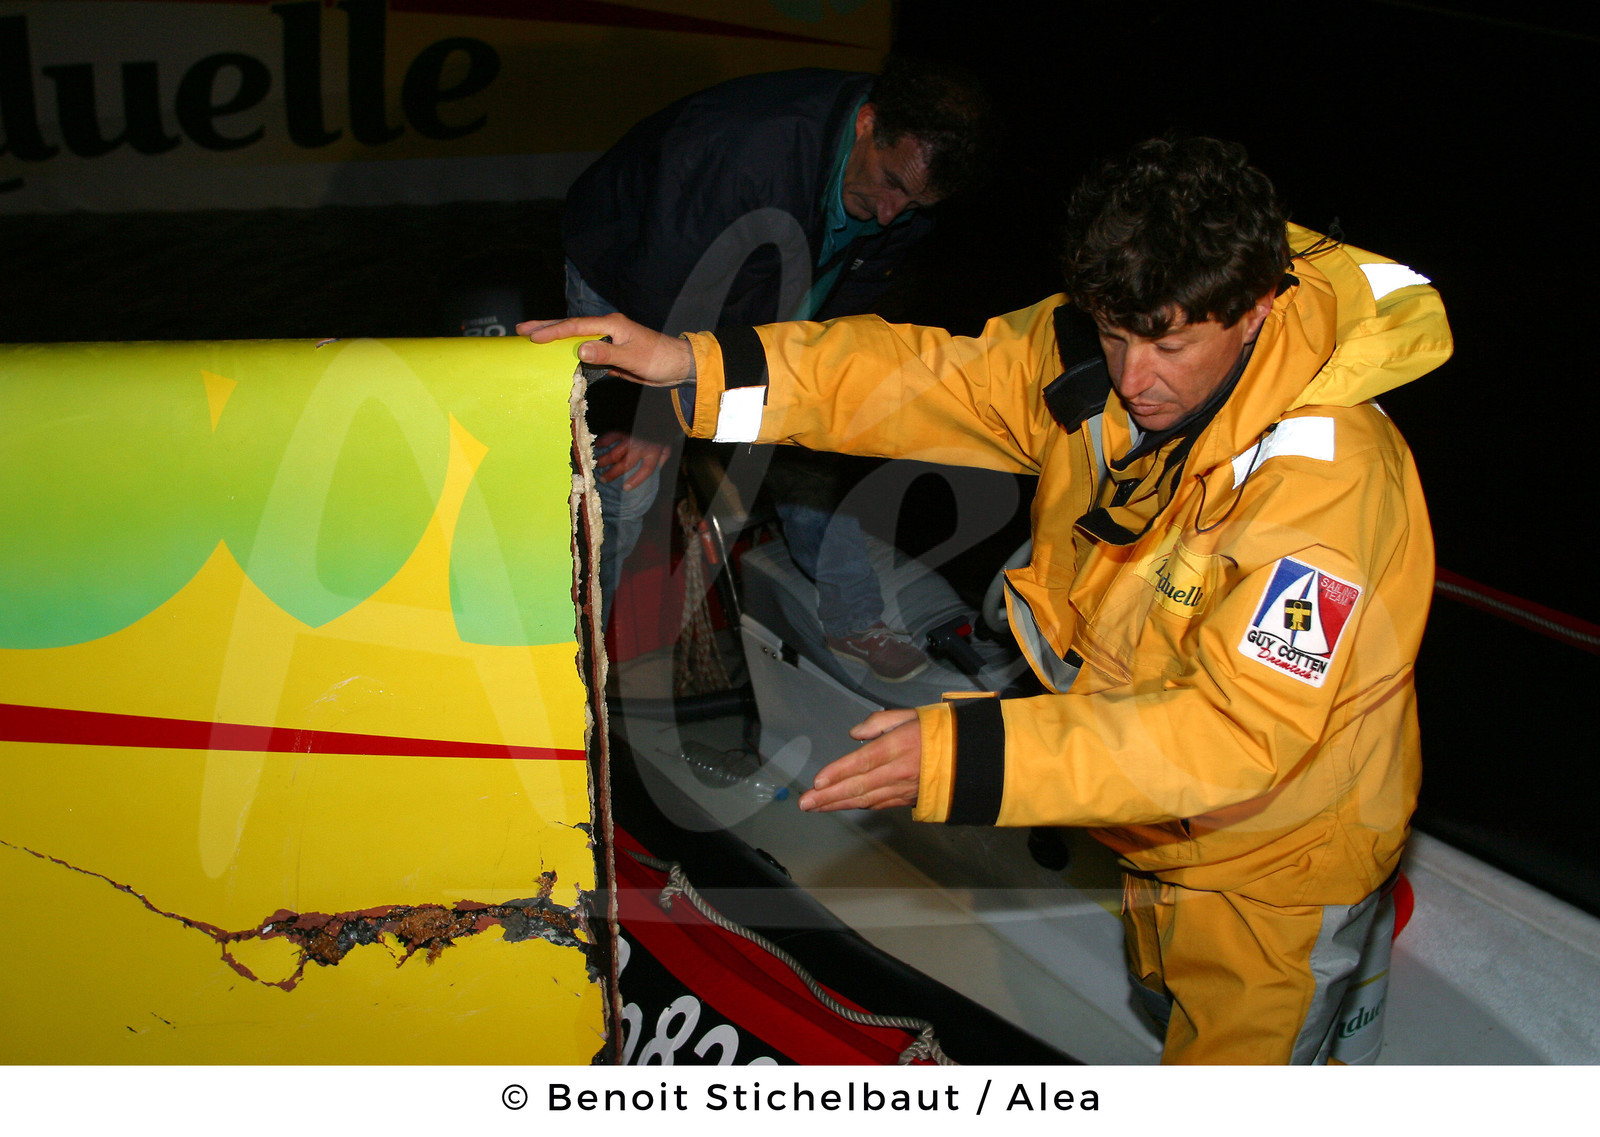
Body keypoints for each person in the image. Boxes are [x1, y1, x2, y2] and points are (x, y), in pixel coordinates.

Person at [522, 135, 1452, 1063]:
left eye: (1168, 346)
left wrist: (969, 753)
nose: (1133, 379)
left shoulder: (1327, 494)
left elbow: (1237, 735)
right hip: (1153, 816)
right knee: (1164, 996)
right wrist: (696, 365)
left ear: (1254, 311)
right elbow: (923, 378)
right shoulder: (1115, 342)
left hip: (1274, 865)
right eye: (1115, 336)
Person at [561, 57, 990, 681]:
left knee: (817, 436)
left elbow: (849, 310)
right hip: (632, 279)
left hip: (767, 291)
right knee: (629, 478)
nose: (892, 213)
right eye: (892, 183)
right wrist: (655, 421)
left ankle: (852, 617)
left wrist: (809, 384)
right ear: (868, 123)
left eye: (917, 202)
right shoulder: (744, 153)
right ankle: (576, 647)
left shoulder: (907, 199)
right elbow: (662, 293)